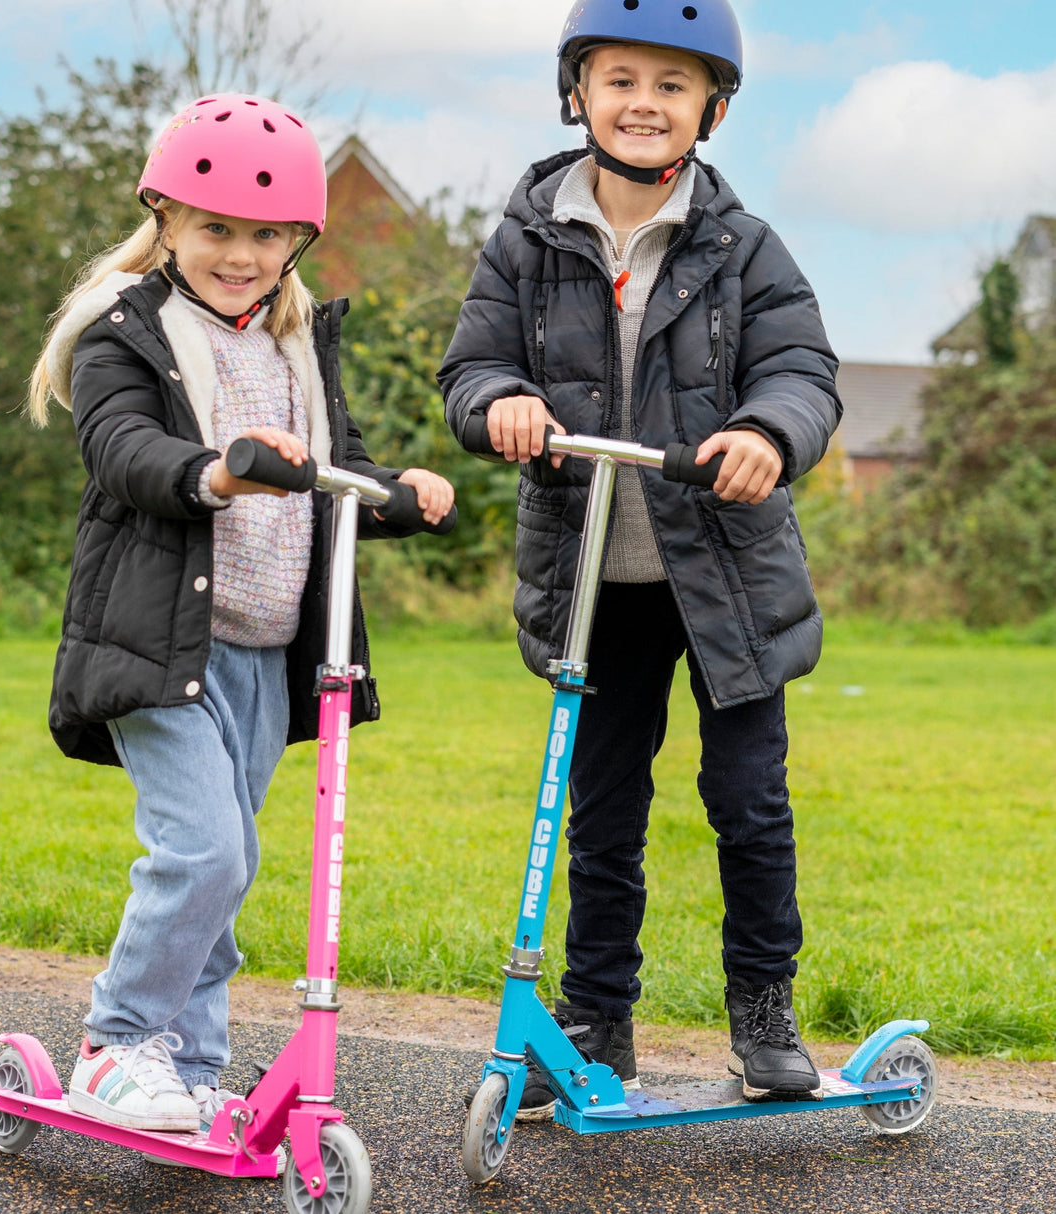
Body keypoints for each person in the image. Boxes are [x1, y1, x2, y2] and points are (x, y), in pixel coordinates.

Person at [440, 0, 841, 1117]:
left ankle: (762, 1008)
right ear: (577, 92)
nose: (643, 104)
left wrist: (766, 433)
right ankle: (593, 1018)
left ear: (709, 107)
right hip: (592, 587)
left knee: (745, 802)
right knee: (599, 807)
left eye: (671, 85)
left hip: (722, 581)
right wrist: (502, 402)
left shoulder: (743, 244)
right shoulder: (527, 238)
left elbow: (801, 369)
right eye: (620, 79)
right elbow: (467, 368)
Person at [28, 93, 454, 1135]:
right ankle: (113, 1045)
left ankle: (187, 1061)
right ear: (165, 219)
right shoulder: (125, 336)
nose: (239, 252)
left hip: (266, 654)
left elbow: (329, 471)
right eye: (215, 228)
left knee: (231, 866)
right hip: (157, 648)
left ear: (296, 240)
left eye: (264, 235)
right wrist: (217, 471)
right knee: (204, 851)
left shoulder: (294, 347)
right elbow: (124, 451)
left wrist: (394, 490)